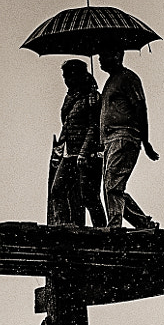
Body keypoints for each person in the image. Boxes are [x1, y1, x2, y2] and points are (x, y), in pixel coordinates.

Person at [97, 47, 161, 231]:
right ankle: (143, 224)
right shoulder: (110, 82)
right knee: (112, 185)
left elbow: (140, 107)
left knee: (112, 184)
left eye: (105, 54)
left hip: (124, 136)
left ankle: (114, 227)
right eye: (101, 56)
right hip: (110, 139)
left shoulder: (128, 78)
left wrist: (145, 140)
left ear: (117, 55)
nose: (101, 59)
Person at [48, 60, 107, 227]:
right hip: (69, 153)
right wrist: (60, 149)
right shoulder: (70, 97)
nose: (65, 80)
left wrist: (84, 152)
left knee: (89, 196)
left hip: (88, 154)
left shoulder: (92, 97)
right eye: (64, 76)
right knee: (58, 190)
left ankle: (101, 230)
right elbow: (66, 125)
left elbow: (93, 128)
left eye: (68, 76)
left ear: (78, 76)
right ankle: (63, 225)